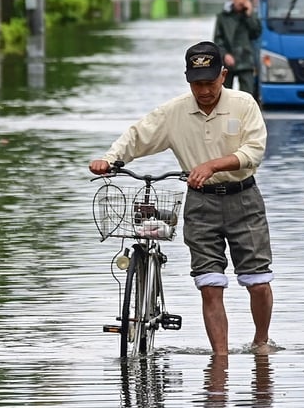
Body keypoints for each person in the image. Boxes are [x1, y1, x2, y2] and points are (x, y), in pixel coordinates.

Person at [88, 41, 274, 356]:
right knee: (210, 285)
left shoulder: (244, 105)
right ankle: (221, 359)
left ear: (224, 76)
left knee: (257, 281)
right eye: (197, 83)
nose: (203, 90)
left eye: (210, 82)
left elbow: (254, 151)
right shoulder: (174, 112)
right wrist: (109, 159)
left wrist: (213, 165)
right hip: (201, 204)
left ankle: (261, 342)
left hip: (244, 199)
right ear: (188, 80)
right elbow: (138, 136)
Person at [213, 0, 261, 96]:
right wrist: (224, 55)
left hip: (246, 59)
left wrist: (249, 16)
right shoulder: (223, 16)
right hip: (228, 60)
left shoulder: (251, 16)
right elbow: (218, 40)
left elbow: (256, 33)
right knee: (223, 94)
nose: (241, 1)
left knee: (248, 95)